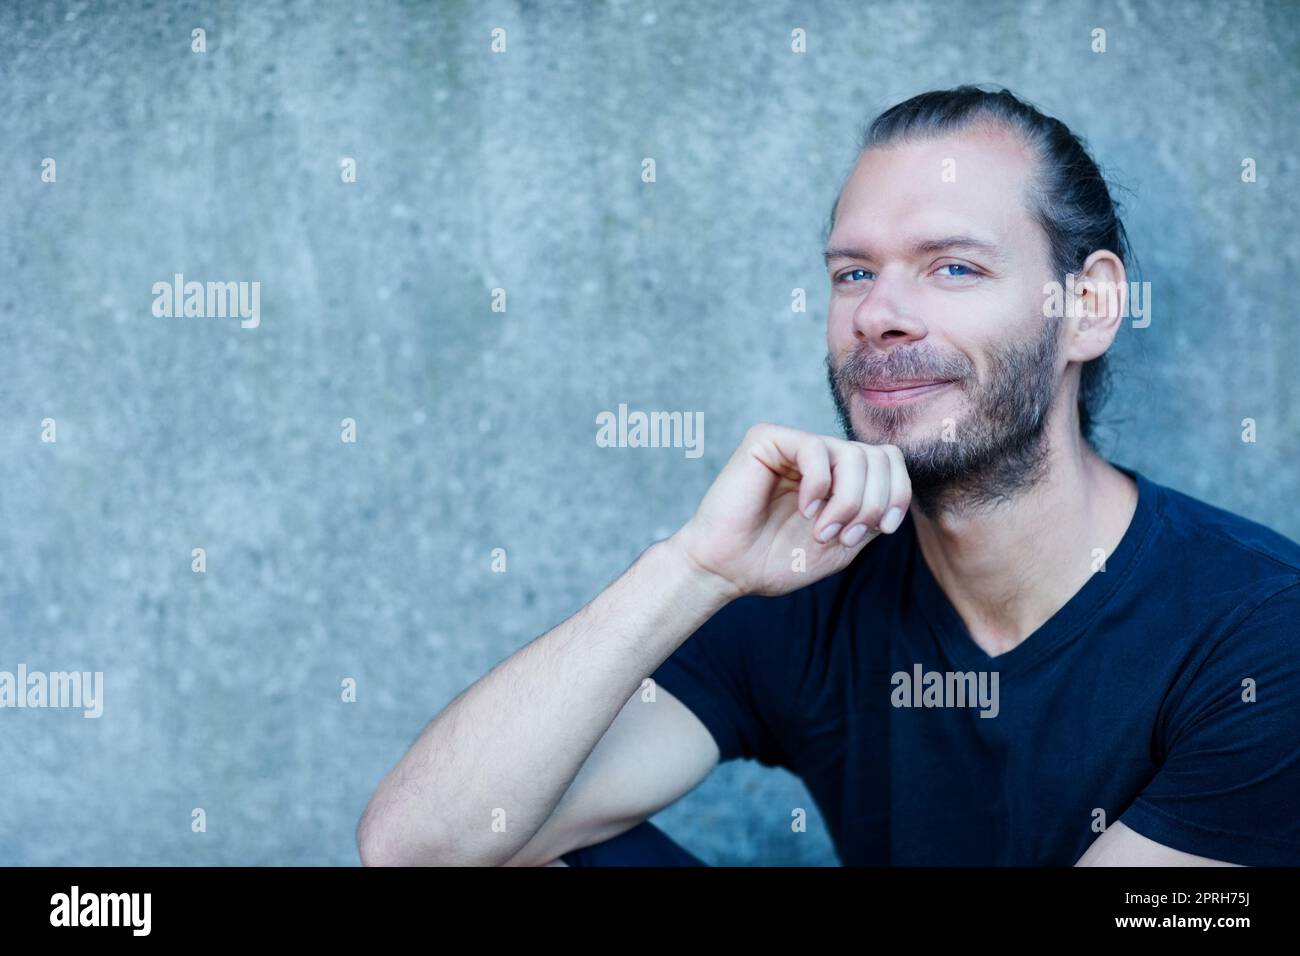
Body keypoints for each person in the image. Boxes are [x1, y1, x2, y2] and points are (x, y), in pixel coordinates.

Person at [356, 85, 1300, 867]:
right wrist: (696, 570)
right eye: (853, 274)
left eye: (954, 268)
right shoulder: (808, 578)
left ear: (1087, 307)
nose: (880, 315)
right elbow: (417, 850)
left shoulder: (1263, 635)